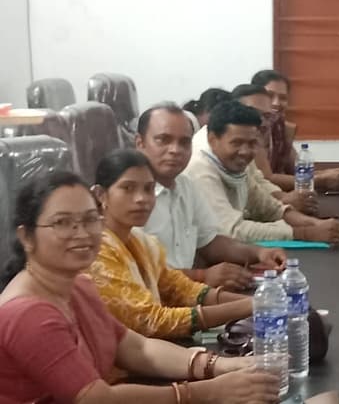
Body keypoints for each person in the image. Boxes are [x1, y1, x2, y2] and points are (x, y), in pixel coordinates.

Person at [0, 170, 280, 403]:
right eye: (62, 223)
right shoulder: (28, 315)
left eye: (90, 219)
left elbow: (136, 348)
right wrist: (206, 392)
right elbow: (95, 399)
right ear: (26, 237)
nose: (82, 233)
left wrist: (218, 366)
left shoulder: (78, 287)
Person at [88, 149, 268, 339]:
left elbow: (182, 290)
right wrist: (253, 305)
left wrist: (262, 301)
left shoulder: (142, 243)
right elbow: (150, 321)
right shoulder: (96, 250)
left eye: (148, 189)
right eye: (128, 188)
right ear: (101, 195)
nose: (141, 199)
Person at [136, 103, 287, 289]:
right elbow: (136, 272)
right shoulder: (130, 198)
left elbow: (211, 242)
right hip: (148, 301)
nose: (175, 150)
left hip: (188, 295)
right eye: (163, 140)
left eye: (184, 142)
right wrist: (201, 276)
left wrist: (259, 253)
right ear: (140, 143)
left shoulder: (185, 185)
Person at [184, 100, 339, 243]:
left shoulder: (232, 157)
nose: (245, 151)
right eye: (237, 143)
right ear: (213, 140)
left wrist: (314, 223)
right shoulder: (200, 168)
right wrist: (305, 233)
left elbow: (265, 206)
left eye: (252, 143)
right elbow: (232, 231)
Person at [194, 85, 319, 216]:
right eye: (255, 113)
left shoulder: (252, 140)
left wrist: (284, 200)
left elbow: (257, 182)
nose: (262, 122)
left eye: (267, 116)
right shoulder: (203, 160)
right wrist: (286, 203)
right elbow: (231, 225)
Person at [251, 70, 339, 192]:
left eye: (283, 98)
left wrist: (329, 173)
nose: (276, 103)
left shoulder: (280, 128)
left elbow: (297, 170)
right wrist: (321, 180)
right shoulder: (250, 130)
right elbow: (267, 179)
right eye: (270, 95)